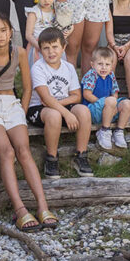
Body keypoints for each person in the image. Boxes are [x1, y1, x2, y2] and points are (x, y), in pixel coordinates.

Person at [0, 13, 55, 232]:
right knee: (6, 151)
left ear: (10, 32)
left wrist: (22, 112)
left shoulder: (19, 52)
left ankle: (43, 206)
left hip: (12, 104)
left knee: (23, 150)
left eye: (3, 30)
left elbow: (27, 87)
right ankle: (20, 210)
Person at [27, 27, 94, 179]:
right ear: (40, 50)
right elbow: (45, 99)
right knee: (54, 115)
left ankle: (81, 155)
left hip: (62, 105)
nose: (51, 52)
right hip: (39, 109)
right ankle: (51, 158)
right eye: (46, 48)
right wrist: (66, 113)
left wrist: (64, 107)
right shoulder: (38, 68)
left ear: (63, 47)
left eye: (55, 47)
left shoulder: (68, 67)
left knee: (83, 111)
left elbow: (76, 96)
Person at [82, 46, 130, 150]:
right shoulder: (92, 75)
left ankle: (119, 131)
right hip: (93, 109)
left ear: (111, 66)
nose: (103, 67)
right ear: (92, 64)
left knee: (128, 104)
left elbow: (115, 93)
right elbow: (86, 94)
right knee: (110, 100)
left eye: (107, 64)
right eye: (100, 64)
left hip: (109, 110)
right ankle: (104, 131)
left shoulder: (111, 75)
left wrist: (112, 105)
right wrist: (104, 103)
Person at [25, 0, 74, 69]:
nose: (46, 0)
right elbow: (28, 35)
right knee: (40, 69)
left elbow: (69, 24)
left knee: (57, 69)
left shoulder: (57, 10)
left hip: (55, 46)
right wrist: (40, 47)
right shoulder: (34, 12)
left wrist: (68, 31)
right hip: (39, 46)